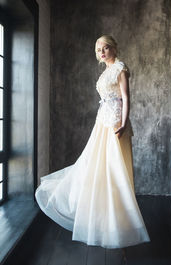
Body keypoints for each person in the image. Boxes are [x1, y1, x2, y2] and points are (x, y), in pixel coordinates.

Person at [35, 35, 150, 262]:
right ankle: (102, 221)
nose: (102, 51)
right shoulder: (105, 71)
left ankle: (119, 226)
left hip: (115, 123)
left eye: (106, 47)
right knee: (96, 169)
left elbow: (126, 98)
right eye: (98, 49)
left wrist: (124, 124)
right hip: (102, 123)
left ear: (114, 48)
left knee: (114, 171)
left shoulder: (120, 68)